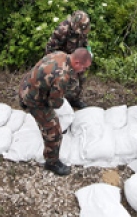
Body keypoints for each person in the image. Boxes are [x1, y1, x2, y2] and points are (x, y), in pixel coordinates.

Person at [19, 47, 92, 176]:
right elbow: (55, 103)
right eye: (84, 68)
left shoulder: (61, 54)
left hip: (26, 85)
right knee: (54, 131)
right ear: (77, 63)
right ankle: (51, 162)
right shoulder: (62, 77)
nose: (83, 71)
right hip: (33, 99)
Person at [45, 10, 91, 109]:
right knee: (70, 82)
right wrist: (60, 63)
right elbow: (50, 50)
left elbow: (85, 41)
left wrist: (88, 52)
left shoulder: (83, 27)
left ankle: (75, 99)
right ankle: (63, 101)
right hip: (63, 59)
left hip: (77, 57)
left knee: (82, 77)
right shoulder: (62, 30)